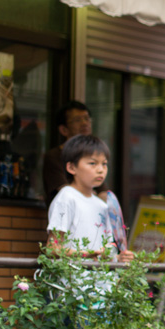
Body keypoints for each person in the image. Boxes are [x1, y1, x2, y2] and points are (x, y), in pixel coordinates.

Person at [46, 135, 134, 296]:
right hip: (72, 294)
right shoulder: (66, 198)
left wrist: (119, 259)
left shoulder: (103, 205)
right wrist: (87, 254)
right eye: (92, 163)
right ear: (72, 168)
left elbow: (108, 250)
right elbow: (52, 248)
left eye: (104, 164)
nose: (100, 169)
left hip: (102, 293)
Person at [42, 101, 94, 206]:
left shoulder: (93, 157)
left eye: (87, 118)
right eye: (78, 120)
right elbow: (66, 192)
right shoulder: (54, 157)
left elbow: (103, 193)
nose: (85, 123)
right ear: (64, 130)